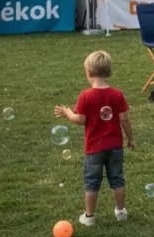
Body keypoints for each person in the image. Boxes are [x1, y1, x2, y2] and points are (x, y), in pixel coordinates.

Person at [54, 50, 135, 226]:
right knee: (118, 179)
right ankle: (121, 211)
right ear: (110, 73)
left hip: (94, 148)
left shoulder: (86, 96)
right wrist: (131, 139)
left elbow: (80, 120)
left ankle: (89, 216)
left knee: (91, 182)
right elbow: (124, 119)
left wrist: (68, 113)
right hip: (115, 146)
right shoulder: (117, 94)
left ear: (88, 73)